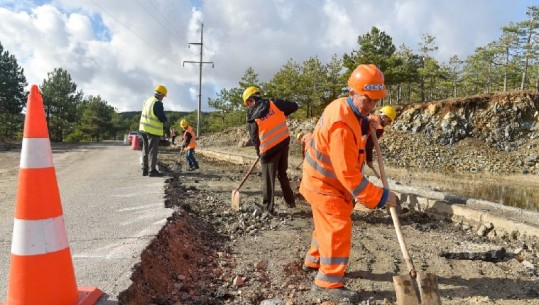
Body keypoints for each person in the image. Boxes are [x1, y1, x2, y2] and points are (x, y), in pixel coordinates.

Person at [299, 64, 399, 301]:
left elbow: (360, 121)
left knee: (323, 225)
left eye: (376, 101)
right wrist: (381, 197)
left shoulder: (346, 107)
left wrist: (369, 122)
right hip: (326, 184)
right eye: (368, 100)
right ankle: (328, 283)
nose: (372, 105)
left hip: (321, 180)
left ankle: (313, 261)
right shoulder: (341, 126)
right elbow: (350, 177)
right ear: (353, 92)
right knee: (337, 228)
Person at [243, 86, 298, 214]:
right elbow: (294, 106)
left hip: (268, 151)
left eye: (248, 102)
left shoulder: (252, 116)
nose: (248, 106)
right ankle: (290, 202)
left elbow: (254, 138)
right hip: (283, 144)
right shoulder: (275, 103)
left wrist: (259, 153)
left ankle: (268, 208)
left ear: (253, 99)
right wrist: (282, 112)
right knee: (282, 174)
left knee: (268, 179)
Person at [139, 85, 168, 177]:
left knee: (145, 149)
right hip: (152, 131)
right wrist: (165, 119)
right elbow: (161, 117)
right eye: (163, 96)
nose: (163, 98)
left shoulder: (147, 100)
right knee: (152, 151)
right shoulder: (157, 103)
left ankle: (145, 169)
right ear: (161, 94)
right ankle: (152, 171)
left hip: (143, 129)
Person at [364, 105, 396, 178]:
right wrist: (369, 160)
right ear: (384, 117)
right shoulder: (378, 128)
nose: (389, 123)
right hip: (357, 153)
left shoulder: (370, 117)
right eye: (389, 120)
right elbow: (369, 144)